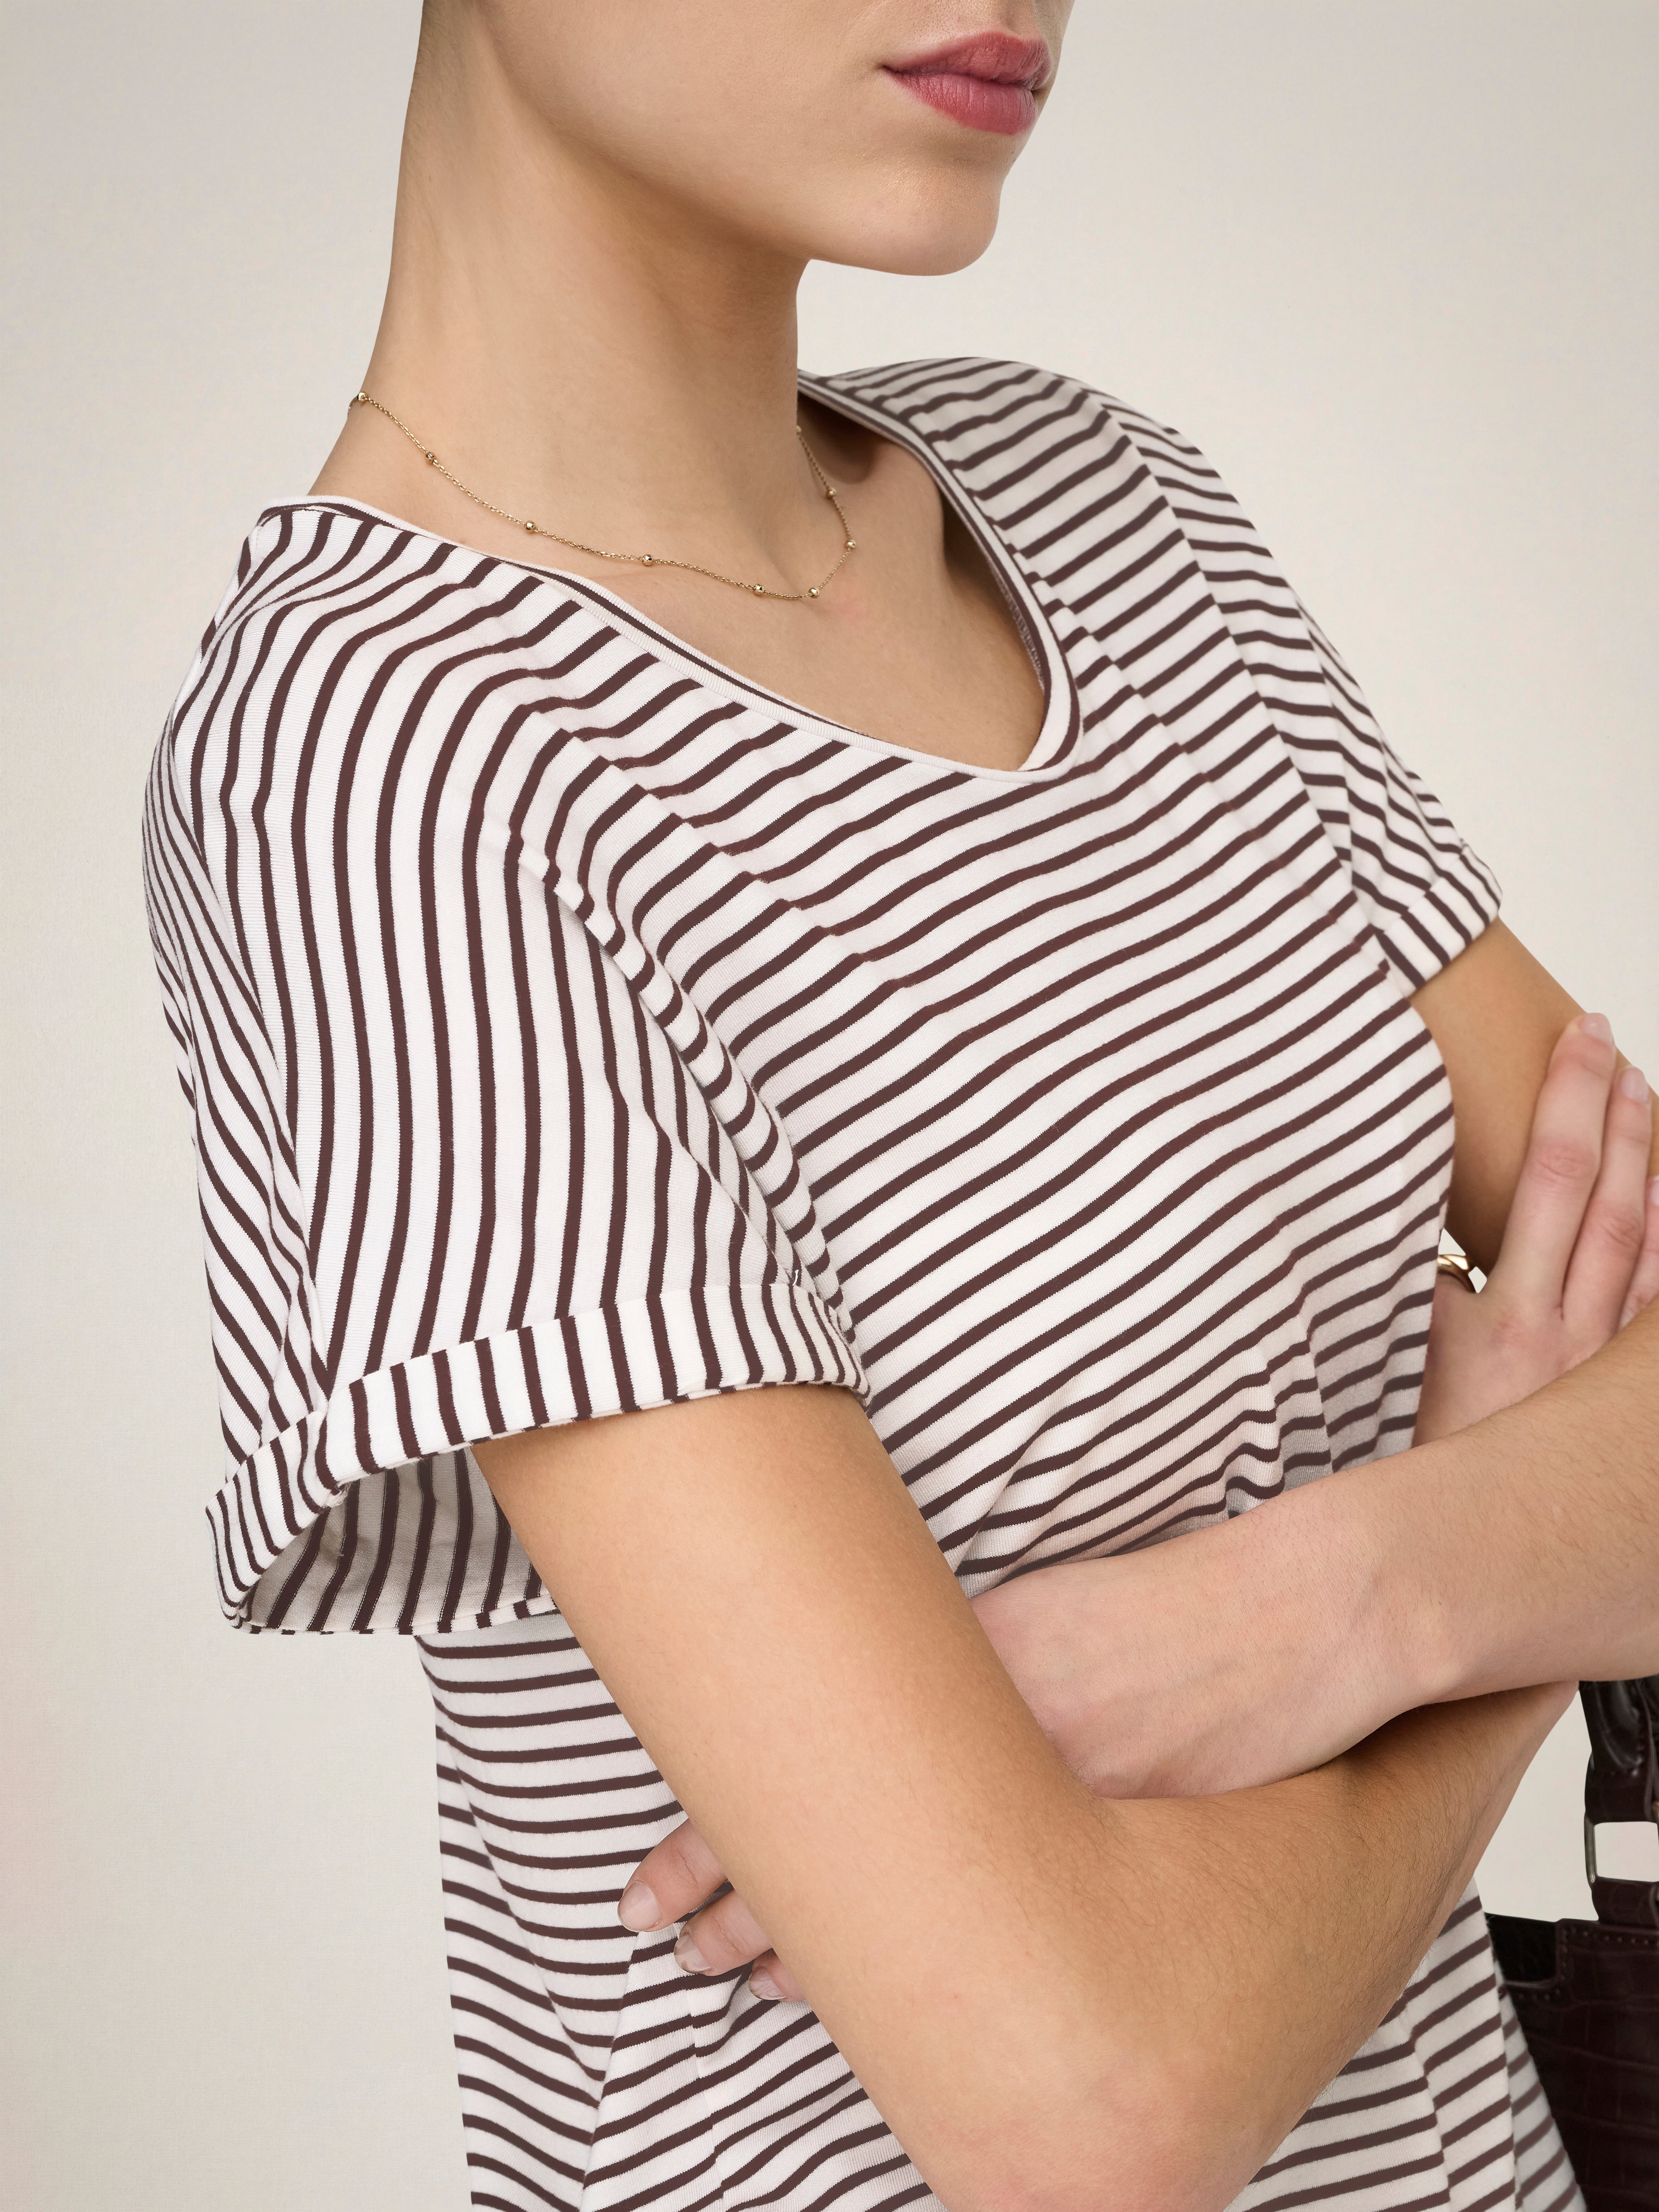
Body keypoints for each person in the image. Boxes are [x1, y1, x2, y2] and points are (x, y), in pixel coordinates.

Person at [139, 5, 1659, 2208]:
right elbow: (1090, 2112)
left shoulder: (1105, 509)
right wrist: (1517, 1603)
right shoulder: (391, 764)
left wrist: (1356, 1593)